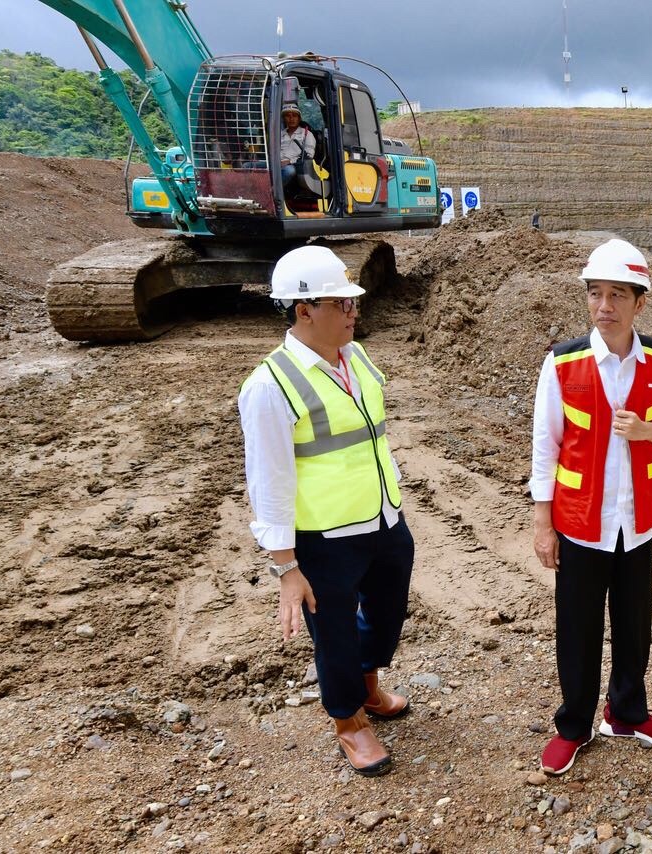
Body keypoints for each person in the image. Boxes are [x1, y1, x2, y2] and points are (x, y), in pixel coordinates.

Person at [238, 245, 414, 778]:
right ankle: (349, 721)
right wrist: (287, 569)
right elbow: (267, 483)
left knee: (386, 615)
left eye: (353, 303)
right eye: (343, 304)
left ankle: (368, 684)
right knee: (333, 632)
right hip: (325, 537)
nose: (354, 313)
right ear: (304, 310)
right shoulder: (270, 386)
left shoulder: (356, 357)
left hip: (384, 518)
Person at [530, 238, 652, 775]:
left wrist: (650, 431)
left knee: (632, 624)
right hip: (581, 523)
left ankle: (625, 712)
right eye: (596, 294)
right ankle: (574, 725)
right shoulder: (562, 364)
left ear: (639, 303)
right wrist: (542, 521)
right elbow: (545, 445)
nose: (605, 306)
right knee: (577, 629)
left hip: (636, 521)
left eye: (617, 295)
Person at [280, 104, 315, 190]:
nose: (291, 119)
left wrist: (289, 161)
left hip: (293, 166)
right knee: (247, 165)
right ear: (284, 119)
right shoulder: (279, 134)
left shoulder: (307, 134)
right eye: (288, 116)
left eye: (294, 116)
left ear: (299, 118)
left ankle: (271, 192)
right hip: (275, 164)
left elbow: (309, 156)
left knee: (289, 171)